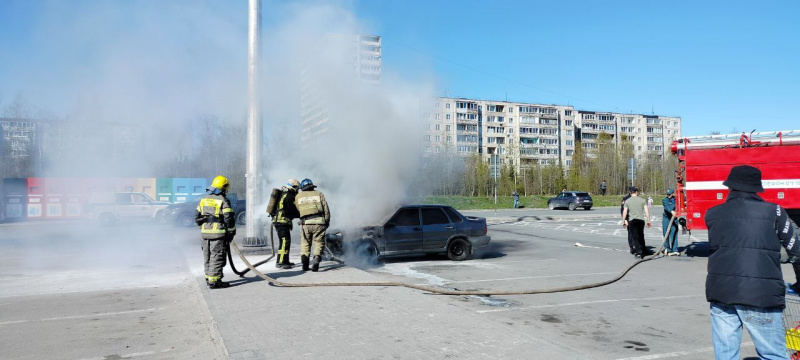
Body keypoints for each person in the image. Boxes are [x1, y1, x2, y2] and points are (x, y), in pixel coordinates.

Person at [705, 165, 800, 359]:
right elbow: (796, 250)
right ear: (757, 188)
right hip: (761, 294)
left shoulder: (712, 213)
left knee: (726, 355)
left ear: (730, 187)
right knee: (772, 355)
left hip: (721, 292)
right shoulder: (775, 212)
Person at [195, 175, 236, 289]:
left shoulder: (204, 199)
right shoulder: (223, 199)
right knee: (217, 256)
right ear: (224, 187)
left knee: (207, 256)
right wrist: (231, 231)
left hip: (205, 234)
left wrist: (203, 227)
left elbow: (197, 216)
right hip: (218, 234)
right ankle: (215, 281)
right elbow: (228, 217)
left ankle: (209, 278)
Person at [294, 178, 330, 272]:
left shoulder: (298, 196)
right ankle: (316, 259)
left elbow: (298, 210)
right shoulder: (319, 194)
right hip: (319, 222)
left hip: (305, 223)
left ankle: (305, 262)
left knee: (305, 242)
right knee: (318, 242)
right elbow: (326, 209)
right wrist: (326, 221)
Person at [273, 179, 301, 269]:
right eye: (297, 188)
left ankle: (285, 260)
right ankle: (280, 262)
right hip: (282, 221)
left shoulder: (283, 194)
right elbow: (291, 211)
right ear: (294, 187)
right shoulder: (289, 196)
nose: (298, 190)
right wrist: (302, 215)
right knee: (284, 242)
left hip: (280, 221)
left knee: (286, 242)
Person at [621, 187, 651, 259]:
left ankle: (638, 252)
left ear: (630, 192)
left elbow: (625, 212)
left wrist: (623, 221)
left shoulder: (627, 201)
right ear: (636, 192)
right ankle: (643, 250)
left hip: (632, 220)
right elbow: (646, 211)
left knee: (635, 237)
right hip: (641, 220)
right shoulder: (642, 200)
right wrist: (648, 220)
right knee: (641, 235)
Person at [661, 190, 679, 256]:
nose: (668, 196)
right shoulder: (665, 200)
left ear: (673, 194)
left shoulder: (676, 199)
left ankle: (675, 249)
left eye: (670, 194)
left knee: (674, 233)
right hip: (667, 218)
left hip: (674, 219)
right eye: (667, 194)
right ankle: (667, 249)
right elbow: (666, 207)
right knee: (666, 233)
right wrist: (671, 211)